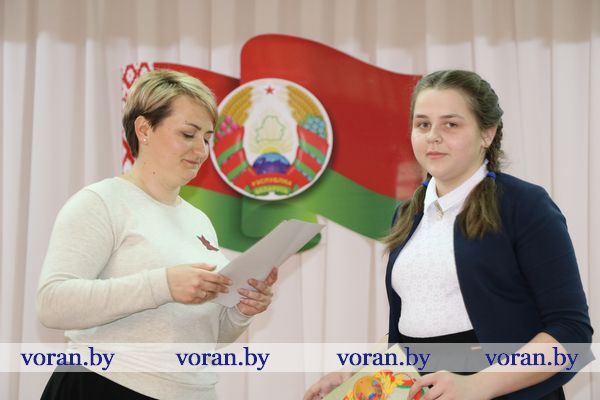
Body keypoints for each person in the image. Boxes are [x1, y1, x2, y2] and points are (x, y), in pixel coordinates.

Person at [304, 70, 593, 400]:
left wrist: (475, 386)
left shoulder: (524, 205)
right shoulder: (407, 214)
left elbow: (570, 333)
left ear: (487, 133)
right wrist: (354, 376)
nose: (433, 137)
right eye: (423, 124)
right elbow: (414, 336)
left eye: (451, 124)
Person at [37, 69, 278, 400]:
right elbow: (52, 304)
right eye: (188, 134)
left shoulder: (198, 222)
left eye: (207, 138)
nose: (201, 150)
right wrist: (163, 285)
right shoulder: (101, 202)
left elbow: (205, 336)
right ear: (144, 129)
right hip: (104, 386)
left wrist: (240, 311)